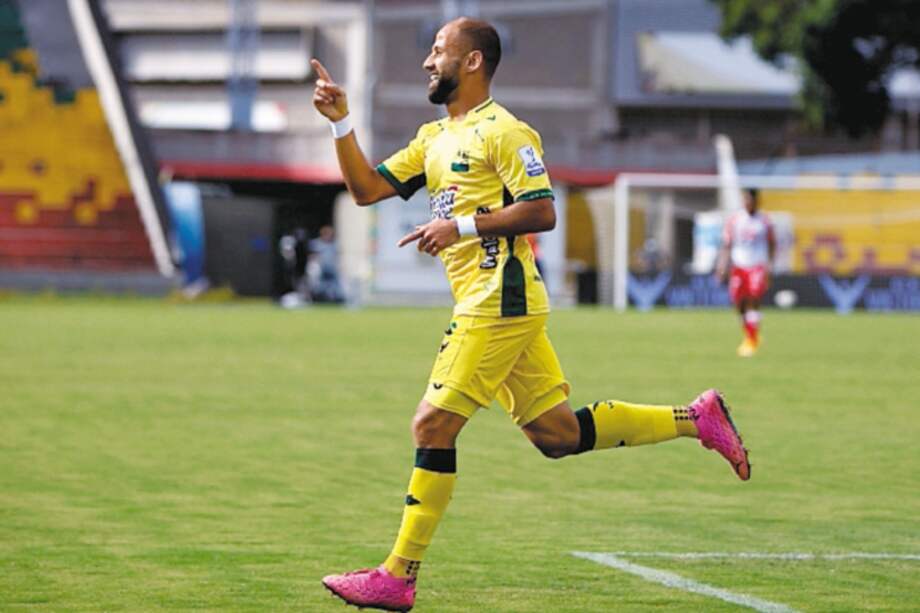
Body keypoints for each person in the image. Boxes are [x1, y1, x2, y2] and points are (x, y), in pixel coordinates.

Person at [313, 18, 750, 612]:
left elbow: (541, 211)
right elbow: (365, 188)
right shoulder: (433, 139)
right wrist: (341, 121)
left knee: (432, 426)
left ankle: (399, 574)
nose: (426, 62)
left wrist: (460, 224)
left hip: (499, 300)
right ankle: (696, 419)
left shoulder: (507, 132)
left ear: (471, 63)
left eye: (438, 50)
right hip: (492, 304)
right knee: (557, 435)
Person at [716, 188, 776, 357]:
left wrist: (769, 267)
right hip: (738, 265)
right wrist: (722, 265)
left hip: (757, 266)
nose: (748, 203)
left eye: (750, 200)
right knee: (739, 304)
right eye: (745, 200)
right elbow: (727, 244)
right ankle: (750, 335)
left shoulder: (765, 221)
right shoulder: (735, 220)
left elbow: (772, 244)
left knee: (753, 300)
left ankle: (751, 340)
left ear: (757, 201)